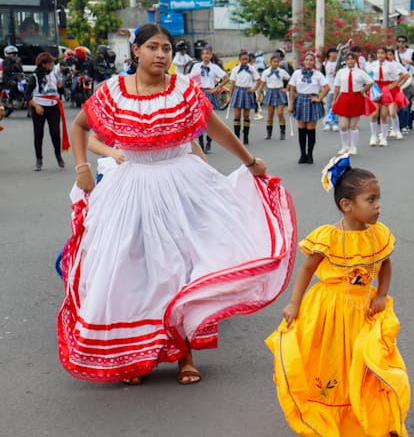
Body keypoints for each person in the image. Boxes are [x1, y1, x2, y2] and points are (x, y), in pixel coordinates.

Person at [58, 23, 296, 385]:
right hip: (131, 187)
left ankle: (185, 356)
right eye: (152, 47)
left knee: (179, 268)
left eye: (166, 49)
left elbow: (216, 129)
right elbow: (78, 126)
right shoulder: (113, 92)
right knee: (129, 268)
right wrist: (81, 169)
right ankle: (134, 356)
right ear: (135, 51)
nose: (160, 55)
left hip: (180, 183)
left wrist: (249, 162)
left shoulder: (184, 89)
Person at [265, 155, 409, 437]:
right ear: (347, 205)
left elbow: (385, 265)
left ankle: (365, 410)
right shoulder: (328, 238)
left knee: (367, 359)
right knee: (334, 361)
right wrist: (294, 304)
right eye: (371, 199)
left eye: (378, 198)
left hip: (364, 311)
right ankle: (334, 414)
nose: (378, 205)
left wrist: (381, 294)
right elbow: (306, 269)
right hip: (330, 311)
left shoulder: (378, 235)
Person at [25, 52, 67, 171]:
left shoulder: (54, 75)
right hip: (39, 107)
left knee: (55, 133)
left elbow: (62, 93)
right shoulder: (34, 77)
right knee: (38, 134)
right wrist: (36, 106)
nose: (53, 64)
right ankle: (39, 159)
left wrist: (60, 87)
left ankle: (58, 156)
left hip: (53, 106)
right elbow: (27, 96)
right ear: (43, 64)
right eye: (50, 62)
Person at [288, 52, 330, 164]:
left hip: (312, 101)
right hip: (300, 101)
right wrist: (291, 104)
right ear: (303, 61)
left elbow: (327, 87)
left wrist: (319, 98)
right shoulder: (297, 73)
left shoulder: (318, 74)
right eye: (306, 59)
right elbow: (291, 89)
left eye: (311, 60)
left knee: (310, 129)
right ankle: (302, 155)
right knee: (301, 128)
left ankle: (310, 154)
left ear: (314, 62)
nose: (308, 62)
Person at [331, 52, 375, 155]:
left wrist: (363, 90)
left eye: (352, 59)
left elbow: (370, 82)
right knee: (343, 125)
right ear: (345, 61)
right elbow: (337, 86)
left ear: (355, 60)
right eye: (348, 59)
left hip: (356, 98)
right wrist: (334, 99)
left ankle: (353, 147)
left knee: (353, 125)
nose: (350, 61)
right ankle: (345, 146)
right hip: (344, 98)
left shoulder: (360, 72)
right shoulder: (341, 72)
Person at [188, 45, 229, 152]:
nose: (205, 56)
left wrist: (216, 88)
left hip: (209, 92)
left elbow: (226, 78)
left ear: (211, 55)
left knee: (210, 119)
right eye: (203, 54)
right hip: (198, 93)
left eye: (208, 54)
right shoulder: (196, 66)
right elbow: (190, 79)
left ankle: (209, 141)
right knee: (200, 118)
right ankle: (201, 142)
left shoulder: (214, 67)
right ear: (201, 55)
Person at [366, 47, 409, 145]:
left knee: (384, 115)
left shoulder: (390, 65)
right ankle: (373, 136)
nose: (380, 55)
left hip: (385, 88)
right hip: (375, 88)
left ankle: (384, 138)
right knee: (374, 113)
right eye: (378, 53)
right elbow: (367, 75)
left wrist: (394, 84)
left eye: (382, 53)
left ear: (385, 54)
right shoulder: (373, 65)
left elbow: (402, 75)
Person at [256, 51, 291, 141]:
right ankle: (269, 133)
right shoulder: (266, 72)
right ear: (270, 62)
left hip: (279, 92)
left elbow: (290, 80)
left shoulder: (282, 71)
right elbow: (262, 84)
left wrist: (286, 89)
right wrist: (258, 96)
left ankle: (282, 132)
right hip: (270, 92)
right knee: (270, 115)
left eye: (277, 62)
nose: (276, 63)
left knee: (280, 113)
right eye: (274, 61)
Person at [229, 49, 260, 145]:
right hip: (238, 91)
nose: (244, 61)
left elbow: (259, 80)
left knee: (246, 116)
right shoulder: (235, 69)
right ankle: (236, 136)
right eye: (242, 59)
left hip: (247, 92)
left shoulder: (252, 69)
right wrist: (230, 96)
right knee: (237, 115)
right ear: (239, 60)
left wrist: (254, 89)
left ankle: (246, 136)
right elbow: (233, 83)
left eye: (246, 59)